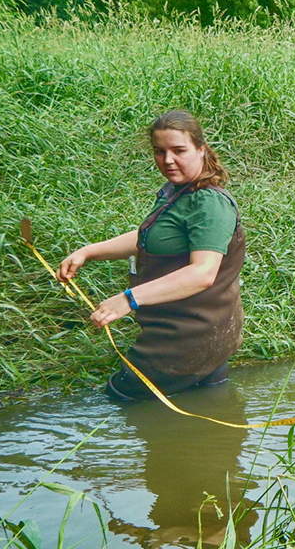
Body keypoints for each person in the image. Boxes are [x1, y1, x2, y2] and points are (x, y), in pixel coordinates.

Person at [57, 110, 245, 400]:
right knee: (207, 409)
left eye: (179, 150)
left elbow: (202, 273)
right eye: (160, 151)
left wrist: (128, 299)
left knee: (118, 397)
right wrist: (89, 252)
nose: (168, 160)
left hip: (186, 339)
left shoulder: (209, 204)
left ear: (201, 149)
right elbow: (152, 238)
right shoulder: (178, 191)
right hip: (201, 335)